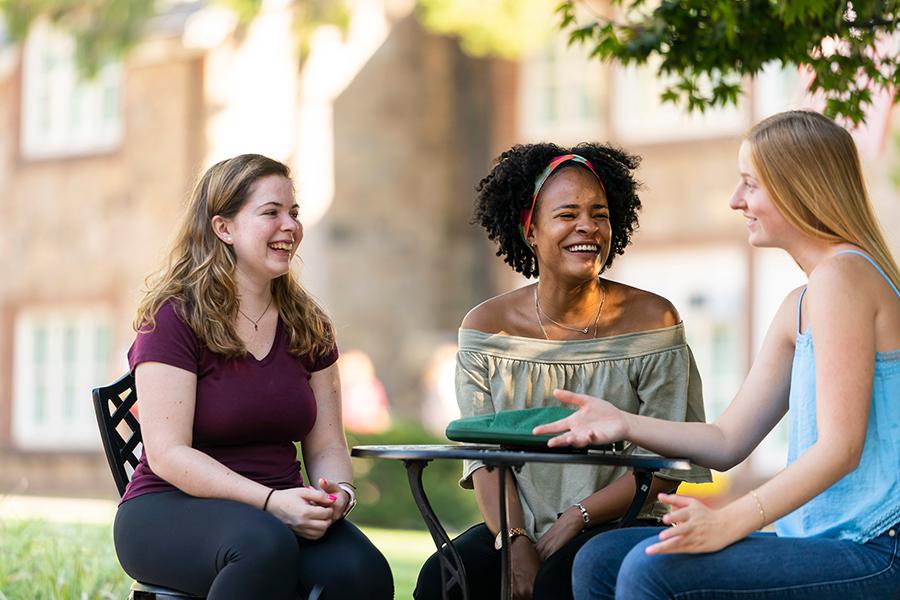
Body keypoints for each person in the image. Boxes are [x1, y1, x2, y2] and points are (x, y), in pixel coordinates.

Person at [535, 111, 900, 600]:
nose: (736, 200)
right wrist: (624, 422)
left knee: (650, 570)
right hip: (822, 544)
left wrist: (729, 521)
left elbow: (840, 450)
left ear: (798, 189)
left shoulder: (845, 278)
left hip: (877, 550)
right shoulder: (802, 302)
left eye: (751, 184)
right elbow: (728, 441)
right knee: (602, 559)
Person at [414, 143, 711, 600]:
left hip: (621, 522)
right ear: (530, 230)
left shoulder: (654, 321)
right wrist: (514, 541)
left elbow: (667, 463)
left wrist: (578, 516)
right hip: (517, 522)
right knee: (444, 577)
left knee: (559, 582)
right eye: (567, 214)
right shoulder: (485, 329)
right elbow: (484, 457)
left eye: (600, 214)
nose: (587, 227)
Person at [113, 154, 394, 600]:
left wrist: (339, 495)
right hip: (169, 509)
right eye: (271, 213)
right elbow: (167, 454)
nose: (291, 226)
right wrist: (269, 502)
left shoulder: (309, 324)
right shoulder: (175, 318)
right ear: (224, 228)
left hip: (280, 510)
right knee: (262, 547)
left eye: (294, 212)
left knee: (363, 572)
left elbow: (327, 446)